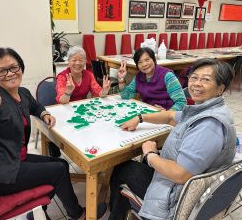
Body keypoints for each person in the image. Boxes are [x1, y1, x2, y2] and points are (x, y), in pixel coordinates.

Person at [0, 48, 107, 220]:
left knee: (62, 165)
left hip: (13, 159)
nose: (10, 73)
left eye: (14, 67)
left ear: (21, 67)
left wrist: (45, 114)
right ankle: (78, 215)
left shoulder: (22, 92)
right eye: (2, 71)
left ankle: (38, 213)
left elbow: (36, 106)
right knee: (57, 171)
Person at [108, 58, 236, 220]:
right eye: (194, 77)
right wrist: (140, 118)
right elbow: (169, 116)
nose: (196, 83)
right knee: (134, 167)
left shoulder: (209, 125)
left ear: (220, 89)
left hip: (177, 197)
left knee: (123, 169)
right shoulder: (209, 109)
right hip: (188, 185)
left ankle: (117, 214)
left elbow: (180, 174)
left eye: (205, 80)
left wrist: (150, 155)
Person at [49, 46, 111, 157]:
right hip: (64, 112)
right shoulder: (63, 76)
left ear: (85, 62)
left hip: (81, 111)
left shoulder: (89, 75)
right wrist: (68, 92)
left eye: (81, 60)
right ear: (68, 62)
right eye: (74, 60)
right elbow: (61, 100)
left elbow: (97, 92)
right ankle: (55, 147)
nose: (78, 63)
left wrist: (104, 91)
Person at [118, 47, 186, 111]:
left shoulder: (167, 76)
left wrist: (167, 113)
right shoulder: (139, 76)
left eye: (147, 60)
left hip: (167, 114)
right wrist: (121, 78)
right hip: (148, 111)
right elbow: (126, 95)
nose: (144, 64)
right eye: (140, 62)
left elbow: (181, 102)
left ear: (154, 59)